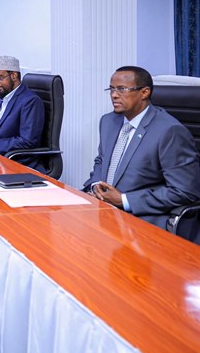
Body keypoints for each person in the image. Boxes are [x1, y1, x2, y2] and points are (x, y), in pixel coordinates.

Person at [84, 66, 200, 230]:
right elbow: (102, 160)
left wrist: (124, 200)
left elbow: (184, 191)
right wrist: (96, 185)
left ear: (144, 92)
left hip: (140, 218)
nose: (114, 95)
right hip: (103, 210)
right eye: (112, 89)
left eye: (121, 89)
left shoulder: (169, 131)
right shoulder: (108, 121)